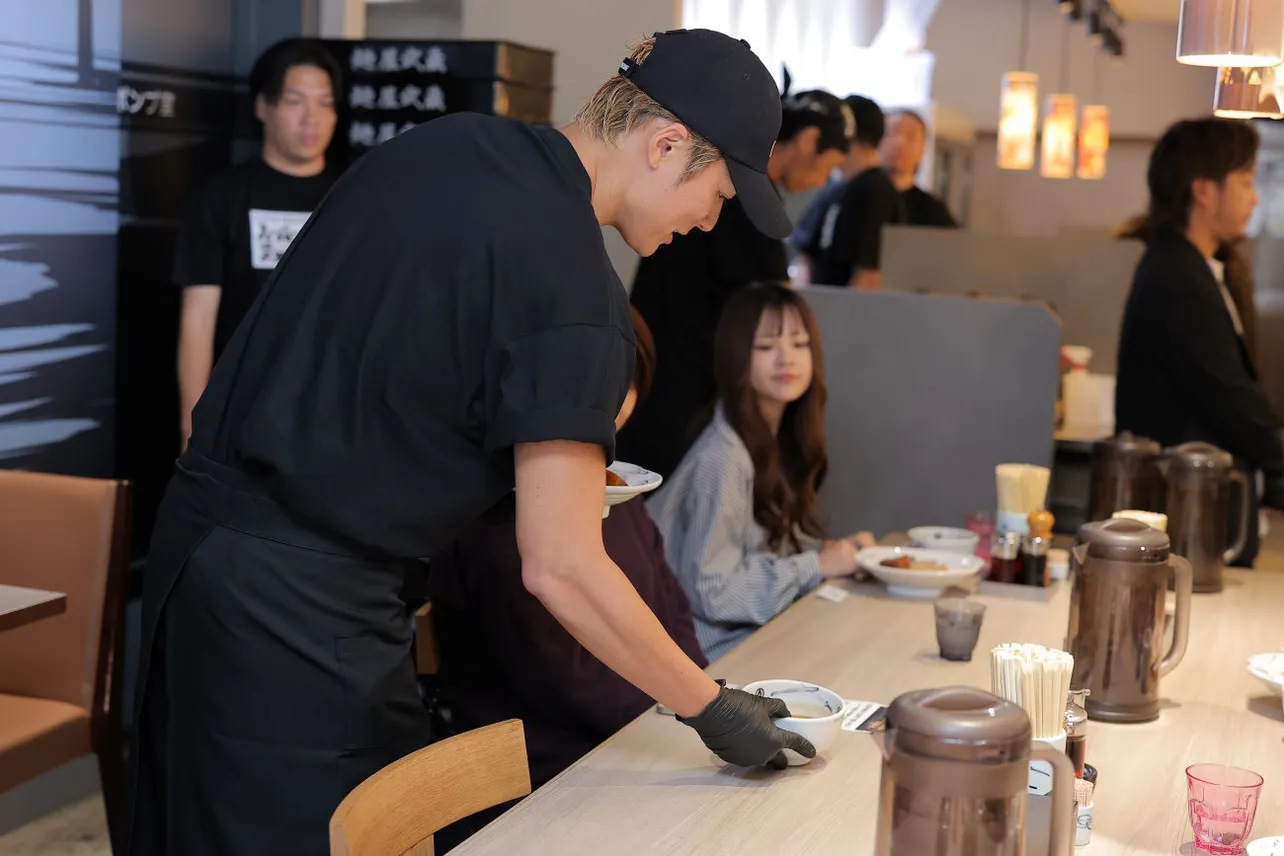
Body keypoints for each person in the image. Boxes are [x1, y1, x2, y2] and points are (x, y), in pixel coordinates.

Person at [127, 30, 816, 856]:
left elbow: (380, 372)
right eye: (719, 193)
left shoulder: (446, 144)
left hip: (197, 554)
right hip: (302, 614)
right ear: (664, 146)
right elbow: (560, 564)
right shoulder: (577, 295)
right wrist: (710, 706)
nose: (710, 221)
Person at [428, 307, 707, 852]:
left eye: (627, 380)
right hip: (538, 779)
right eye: (598, 381)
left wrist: (696, 690)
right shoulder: (496, 513)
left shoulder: (616, 491)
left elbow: (671, 605)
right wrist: (684, 711)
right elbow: (564, 679)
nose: (610, 400)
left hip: (631, 745)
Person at [621, 88, 854, 480]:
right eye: (827, 165)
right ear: (810, 140)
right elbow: (771, 305)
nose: (821, 180)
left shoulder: (732, 190)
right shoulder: (745, 199)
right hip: (680, 387)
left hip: (653, 362)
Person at [649, 284, 872, 662]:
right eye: (766, 347)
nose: (786, 358)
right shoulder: (723, 458)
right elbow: (715, 591)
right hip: (702, 655)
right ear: (736, 358)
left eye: (799, 344)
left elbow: (760, 550)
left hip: (739, 640)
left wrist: (828, 551)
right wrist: (816, 565)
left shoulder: (775, 438)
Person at [1115, 117, 1284, 568]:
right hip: (1186, 509)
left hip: (1200, 503)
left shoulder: (1200, 266)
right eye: (1245, 182)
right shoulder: (1176, 276)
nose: (1255, 198)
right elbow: (1226, 391)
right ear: (1204, 191)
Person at [173, 39, 342, 448]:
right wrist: (193, 423)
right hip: (242, 413)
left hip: (333, 413)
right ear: (263, 107)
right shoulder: (221, 197)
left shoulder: (355, 196)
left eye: (325, 103)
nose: (311, 119)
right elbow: (198, 319)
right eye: (295, 102)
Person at [792, 95, 906, 289]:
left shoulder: (876, 191)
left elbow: (869, 274)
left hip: (845, 312)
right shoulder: (834, 186)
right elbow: (806, 253)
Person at [879, 108, 958, 228]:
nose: (899, 143)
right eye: (892, 133)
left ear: (922, 150)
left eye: (910, 137)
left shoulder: (933, 211)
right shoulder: (860, 198)